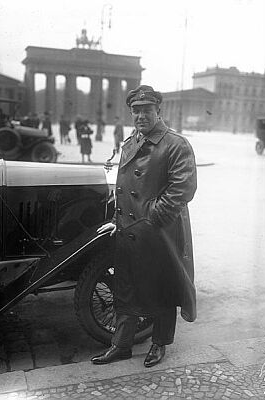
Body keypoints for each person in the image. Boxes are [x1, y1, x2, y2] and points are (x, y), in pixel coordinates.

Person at [92, 85, 197, 368]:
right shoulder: (130, 143)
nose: (140, 116)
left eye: (146, 110)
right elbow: (123, 188)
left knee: (160, 289)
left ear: (158, 111)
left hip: (158, 232)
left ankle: (159, 344)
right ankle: (121, 345)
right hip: (128, 230)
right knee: (124, 290)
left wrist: (151, 217)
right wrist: (117, 220)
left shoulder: (176, 144)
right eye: (135, 111)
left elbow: (182, 190)